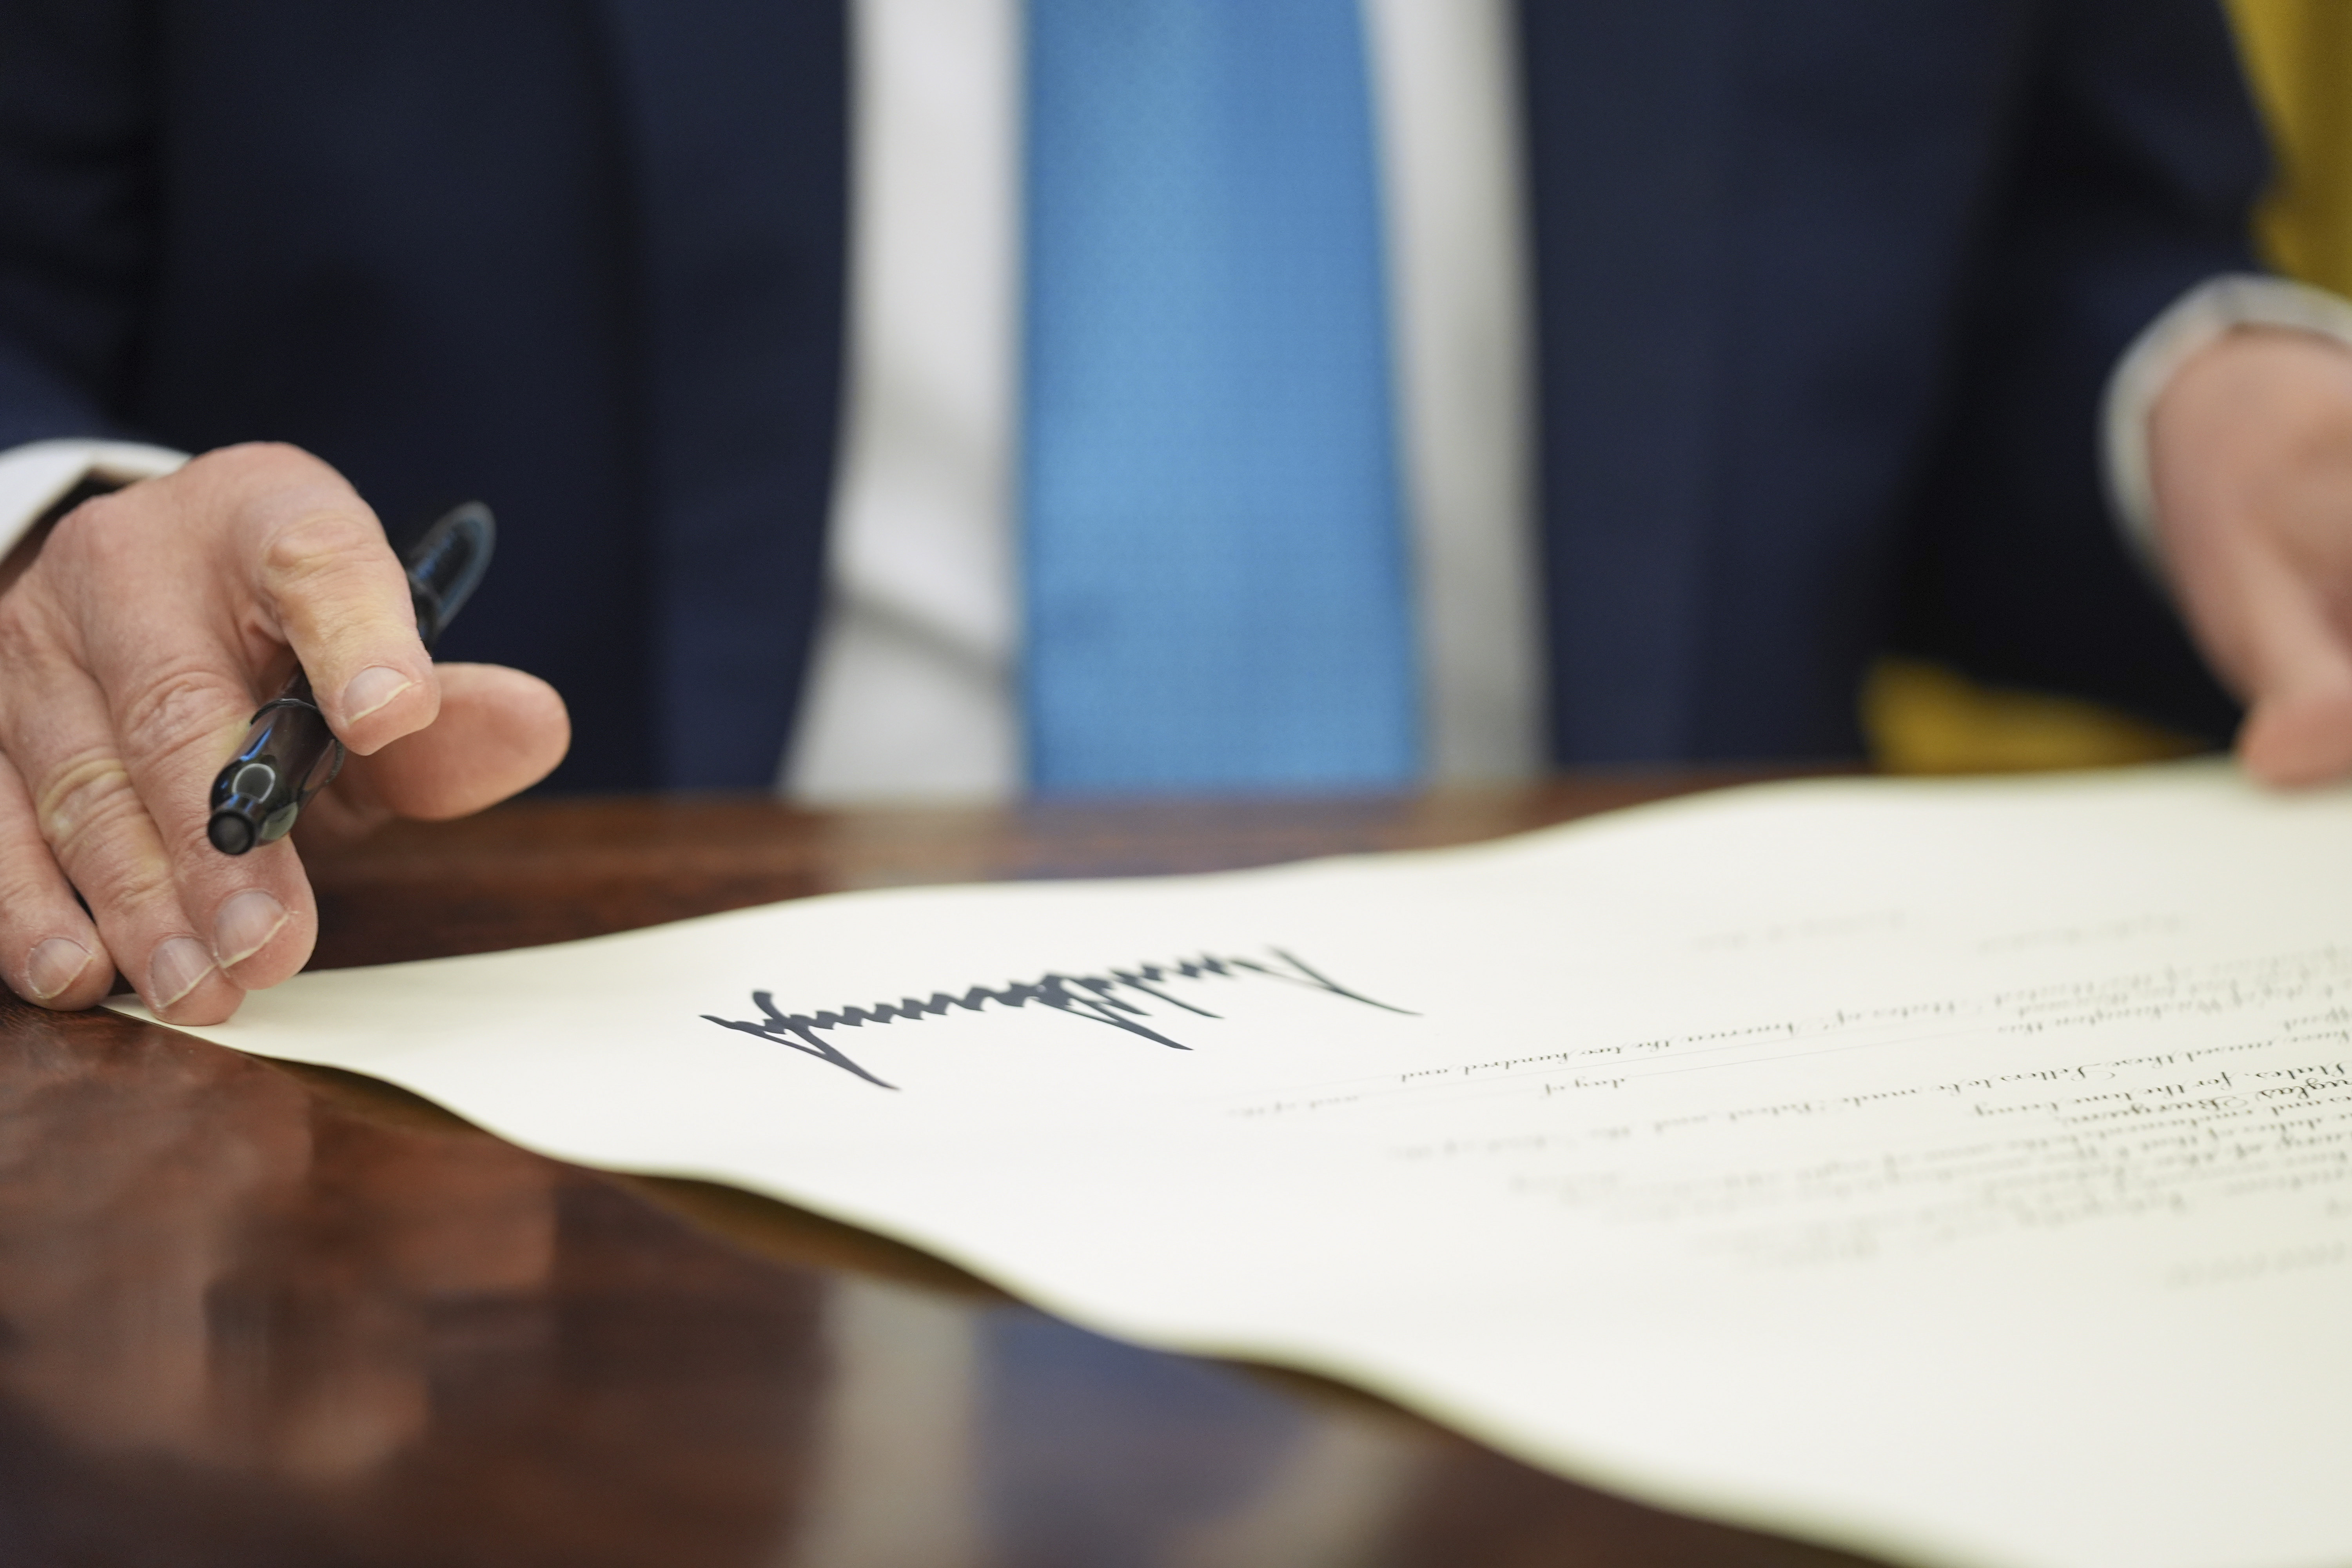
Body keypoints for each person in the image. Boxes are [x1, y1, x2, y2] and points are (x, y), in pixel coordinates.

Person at [1, 0, 2349, 1029]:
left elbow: (2027, 272)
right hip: (498, 1165)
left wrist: (2196, 422)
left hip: (1704, 1117)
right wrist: (52, 555)